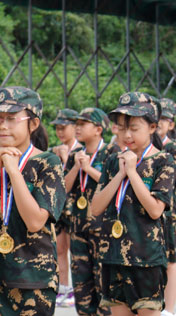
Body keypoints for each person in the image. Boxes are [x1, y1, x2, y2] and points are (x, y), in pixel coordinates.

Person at [91, 92, 175, 315]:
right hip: (114, 256)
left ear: (152, 127)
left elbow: (156, 210)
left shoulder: (163, 161)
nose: (127, 135)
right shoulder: (112, 161)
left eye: (134, 128)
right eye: (121, 127)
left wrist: (132, 172)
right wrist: (120, 174)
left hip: (146, 259)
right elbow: (96, 207)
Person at [0, 87, 65, 314]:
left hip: (31, 280)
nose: (3, 125)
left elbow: (35, 222)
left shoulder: (48, 163)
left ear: (33, 123)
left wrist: (14, 171)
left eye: (11, 119)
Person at [63, 107, 111, 316]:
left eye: (83, 124)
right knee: (82, 284)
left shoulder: (111, 152)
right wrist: (76, 167)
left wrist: (89, 169)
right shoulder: (75, 154)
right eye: (77, 124)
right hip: (78, 227)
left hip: (104, 229)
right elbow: (62, 187)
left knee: (104, 284)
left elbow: (113, 184)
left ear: (98, 129)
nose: (78, 128)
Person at [158, 98, 176, 316]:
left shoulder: (172, 148)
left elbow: (174, 179)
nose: (159, 122)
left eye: (165, 119)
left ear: (171, 124)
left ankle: (169, 309)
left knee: (170, 260)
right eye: (156, 117)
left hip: (167, 213)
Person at [50, 107, 81, 308]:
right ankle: (64, 287)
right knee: (60, 249)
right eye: (58, 128)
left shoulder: (81, 150)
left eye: (64, 127)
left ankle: (77, 289)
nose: (60, 132)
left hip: (77, 208)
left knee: (75, 250)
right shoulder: (55, 150)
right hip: (60, 208)